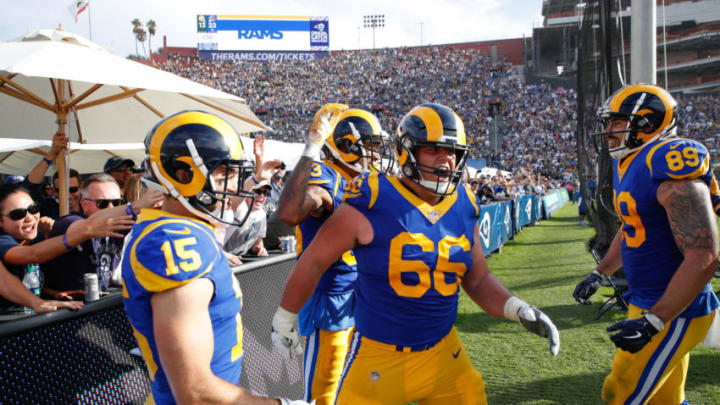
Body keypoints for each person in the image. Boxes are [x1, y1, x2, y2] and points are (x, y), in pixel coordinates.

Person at [272, 103, 559, 404]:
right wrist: (284, 316)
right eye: (433, 150)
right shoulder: (373, 198)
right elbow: (314, 260)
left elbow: (477, 278)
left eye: (453, 152)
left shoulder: (464, 201)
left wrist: (517, 308)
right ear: (406, 151)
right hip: (379, 356)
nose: (446, 160)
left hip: (443, 353)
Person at [121, 110, 310, 405]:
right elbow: (195, 392)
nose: (233, 186)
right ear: (183, 175)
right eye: (226, 174)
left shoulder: (188, 226)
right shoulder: (174, 240)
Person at [573, 84, 719, 405]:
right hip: (649, 301)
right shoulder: (628, 160)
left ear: (648, 124)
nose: (608, 131)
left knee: (620, 391)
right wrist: (599, 273)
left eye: (617, 122)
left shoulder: (666, 162)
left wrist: (655, 320)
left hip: (676, 310)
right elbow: (631, 227)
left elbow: (704, 256)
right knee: (665, 401)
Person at [275, 105, 392, 405]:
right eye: (371, 147)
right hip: (331, 299)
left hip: (358, 298)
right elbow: (290, 211)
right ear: (347, 146)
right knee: (322, 395)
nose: (377, 155)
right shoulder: (327, 176)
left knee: (352, 389)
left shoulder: (365, 183)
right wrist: (312, 145)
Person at [0, 183, 131, 308]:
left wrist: (51, 293)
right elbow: (32, 255)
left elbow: (27, 279)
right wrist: (85, 232)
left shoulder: (35, 238)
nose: (29, 218)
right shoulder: (3, 241)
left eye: (33, 209)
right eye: (18, 214)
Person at [43, 174, 161, 297]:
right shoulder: (69, 221)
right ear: (84, 204)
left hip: (99, 304)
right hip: (61, 308)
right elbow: (87, 225)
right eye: (102, 203)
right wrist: (135, 206)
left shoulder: (122, 226)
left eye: (117, 203)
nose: (111, 208)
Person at [223, 180, 271, 257]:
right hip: (222, 258)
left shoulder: (262, 213)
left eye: (265, 193)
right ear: (246, 193)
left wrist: (259, 248)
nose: (262, 196)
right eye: (257, 191)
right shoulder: (238, 209)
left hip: (241, 258)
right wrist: (224, 256)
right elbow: (214, 240)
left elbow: (258, 239)